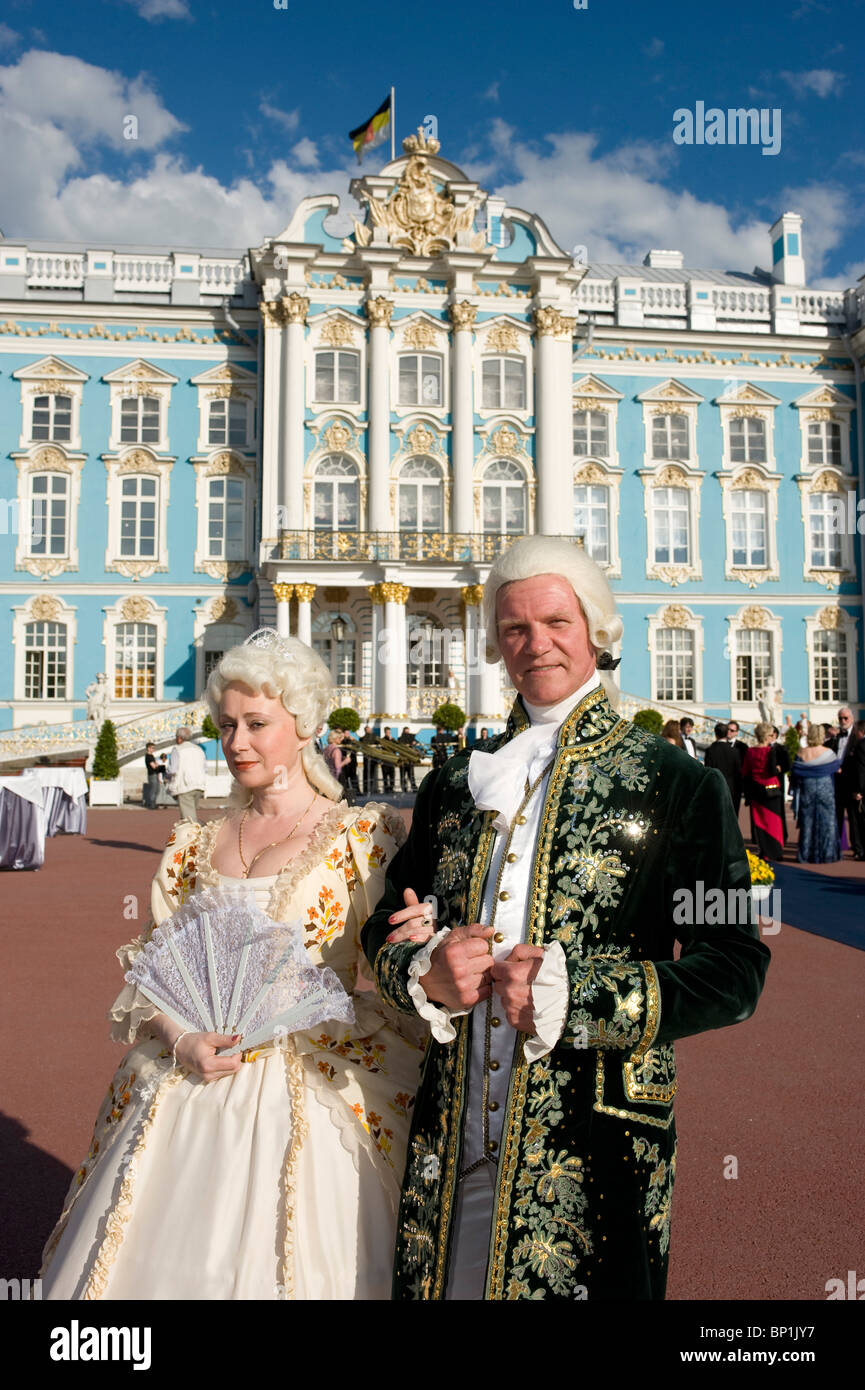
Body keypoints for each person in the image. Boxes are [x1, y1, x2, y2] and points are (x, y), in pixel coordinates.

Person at [362, 535, 770, 1301]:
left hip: (596, 1139)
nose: (535, 644)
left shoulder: (677, 784)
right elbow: (388, 920)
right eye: (514, 629)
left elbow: (736, 969)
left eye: (555, 622)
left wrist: (575, 994)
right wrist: (424, 974)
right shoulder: (454, 784)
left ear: (595, 631)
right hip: (452, 1136)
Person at [39, 630, 432, 1300]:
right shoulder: (192, 843)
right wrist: (180, 1037)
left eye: (257, 724)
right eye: (226, 725)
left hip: (311, 1082)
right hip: (189, 1080)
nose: (237, 743)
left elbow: (392, 965)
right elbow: (151, 967)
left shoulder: (362, 839)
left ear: (304, 725)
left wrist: (417, 941)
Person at [791, 724, 841, 863]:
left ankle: (806, 853)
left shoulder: (802, 752)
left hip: (808, 788)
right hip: (825, 788)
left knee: (807, 822)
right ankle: (827, 854)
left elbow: (795, 773)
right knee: (828, 822)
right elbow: (837, 769)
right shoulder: (828, 752)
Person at [742, 722, 784, 862]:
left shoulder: (750, 751)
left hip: (756, 788)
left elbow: (745, 772)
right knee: (774, 821)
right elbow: (772, 770)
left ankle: (764, 850)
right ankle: (776, 850)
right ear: (767, 735)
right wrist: (778, 768)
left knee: (760, 821)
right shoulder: (769, 751)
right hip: (771, 787)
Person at [827, 707, 864, 858]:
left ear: (852, 719)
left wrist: (859, 788)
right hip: (836, 782)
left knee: (854, 817)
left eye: (845, 718)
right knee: (836, 816)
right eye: (840, 718)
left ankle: (858, 848)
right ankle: (836, 848)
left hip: (851, 782)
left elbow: (859, 763)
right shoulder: (835, 738)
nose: (842, 721)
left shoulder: (858, 737)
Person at [165, 727, 207, 823]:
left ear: (179, 738)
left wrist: (166, 777)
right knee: (190, 814)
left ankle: (198, 835)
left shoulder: (178, 749)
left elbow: (172, 770)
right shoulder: (199, 749)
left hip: (184, 785)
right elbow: (205, 768)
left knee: (189, 820)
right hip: (199, 785)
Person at [704, 722, 740, 811]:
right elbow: (738, 772)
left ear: (716, 734)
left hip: (716, 787)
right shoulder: (734, 751)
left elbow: (708, 770)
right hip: (732, 788)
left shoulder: (710, 750)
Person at [767, 725, 790, 845]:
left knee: (779, 810)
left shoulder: (781, 748)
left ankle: (782, 835)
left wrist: (780, 768)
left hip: (778, 783)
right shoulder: (763, 748)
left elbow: (787, 764)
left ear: (775, 735)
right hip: (765, 784)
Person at [725, 719, 747, 814]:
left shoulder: (742, 747)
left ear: (737, 733)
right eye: (727, 729)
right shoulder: (720, 745)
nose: (728, 732)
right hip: (724, 782)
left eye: (732, 730)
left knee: (734, 811)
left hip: (736, 783)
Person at [398, 727, 420, 793]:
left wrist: (414, 742)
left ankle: (414, 788)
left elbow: (417, 742)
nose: (407, 733)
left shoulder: (411, 739)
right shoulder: (400, 739)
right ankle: (404, 789)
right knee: (402, 776)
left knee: (411, 775)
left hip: (410, 760)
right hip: (403, 760)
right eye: (406, 732)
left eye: (408, 732)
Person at [143, 742, 160, 810]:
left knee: (157, 789)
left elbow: (156, 765)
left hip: (155, 774)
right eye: (152, 748)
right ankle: (152, 804)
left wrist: (157, 766)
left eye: (153, 748)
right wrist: (157, 765)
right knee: (153, 789)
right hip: (152, 774)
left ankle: (153, 803)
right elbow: (154, 766)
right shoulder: (148, 756)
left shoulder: (152, 756)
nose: (153, 749)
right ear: (148, 748)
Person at [380, 727, 396, 794]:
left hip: (391, 760)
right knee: (385, 775)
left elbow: (395, 748)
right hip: (385, 760)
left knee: (392, 775)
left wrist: (391, 740)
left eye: (389, 732)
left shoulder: (393, 740)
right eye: (387, 732)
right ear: (385, 732)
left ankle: (391, 788)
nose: (388, 733)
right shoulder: (383, 740)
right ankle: (386, 788)